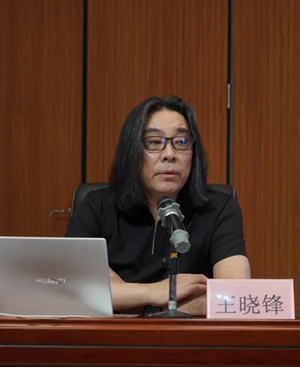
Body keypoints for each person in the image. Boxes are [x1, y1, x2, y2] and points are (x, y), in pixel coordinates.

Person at [65, 95, 250, 316]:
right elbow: (68, 290)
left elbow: (236, 296)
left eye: (181, 142)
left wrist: (124, 297)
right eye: (154, 142)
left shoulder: (219, 208)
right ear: (132, 150)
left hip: (188, 336)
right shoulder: (96, 206)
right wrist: (158, 292)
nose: (170, 155)